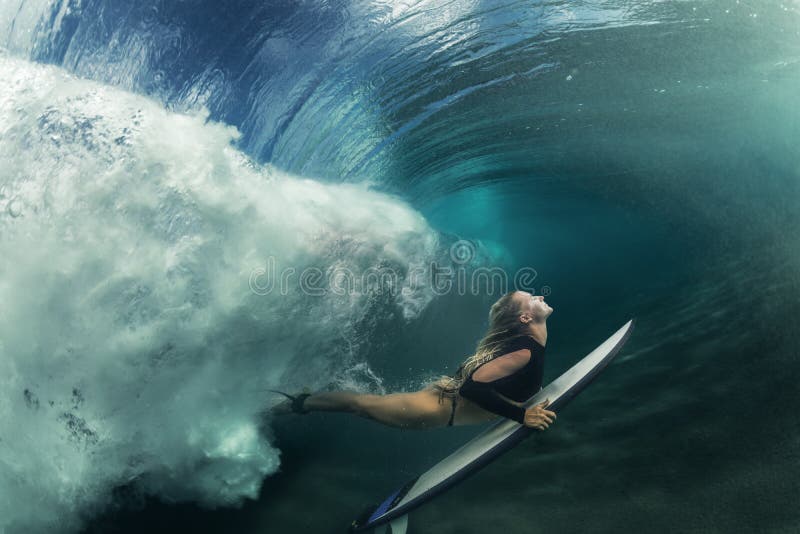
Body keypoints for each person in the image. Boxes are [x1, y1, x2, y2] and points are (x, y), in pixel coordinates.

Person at [272, 290, 557, 431]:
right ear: (525, 318)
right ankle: (299, 403)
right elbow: (472, 388)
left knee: (365, 405)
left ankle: (305, 400)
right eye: (532, 298)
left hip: (445, 398)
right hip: (431, 411)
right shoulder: (523, 350)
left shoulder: (522, 344)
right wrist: (522, 416)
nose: (540, 296)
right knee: (361, 405)